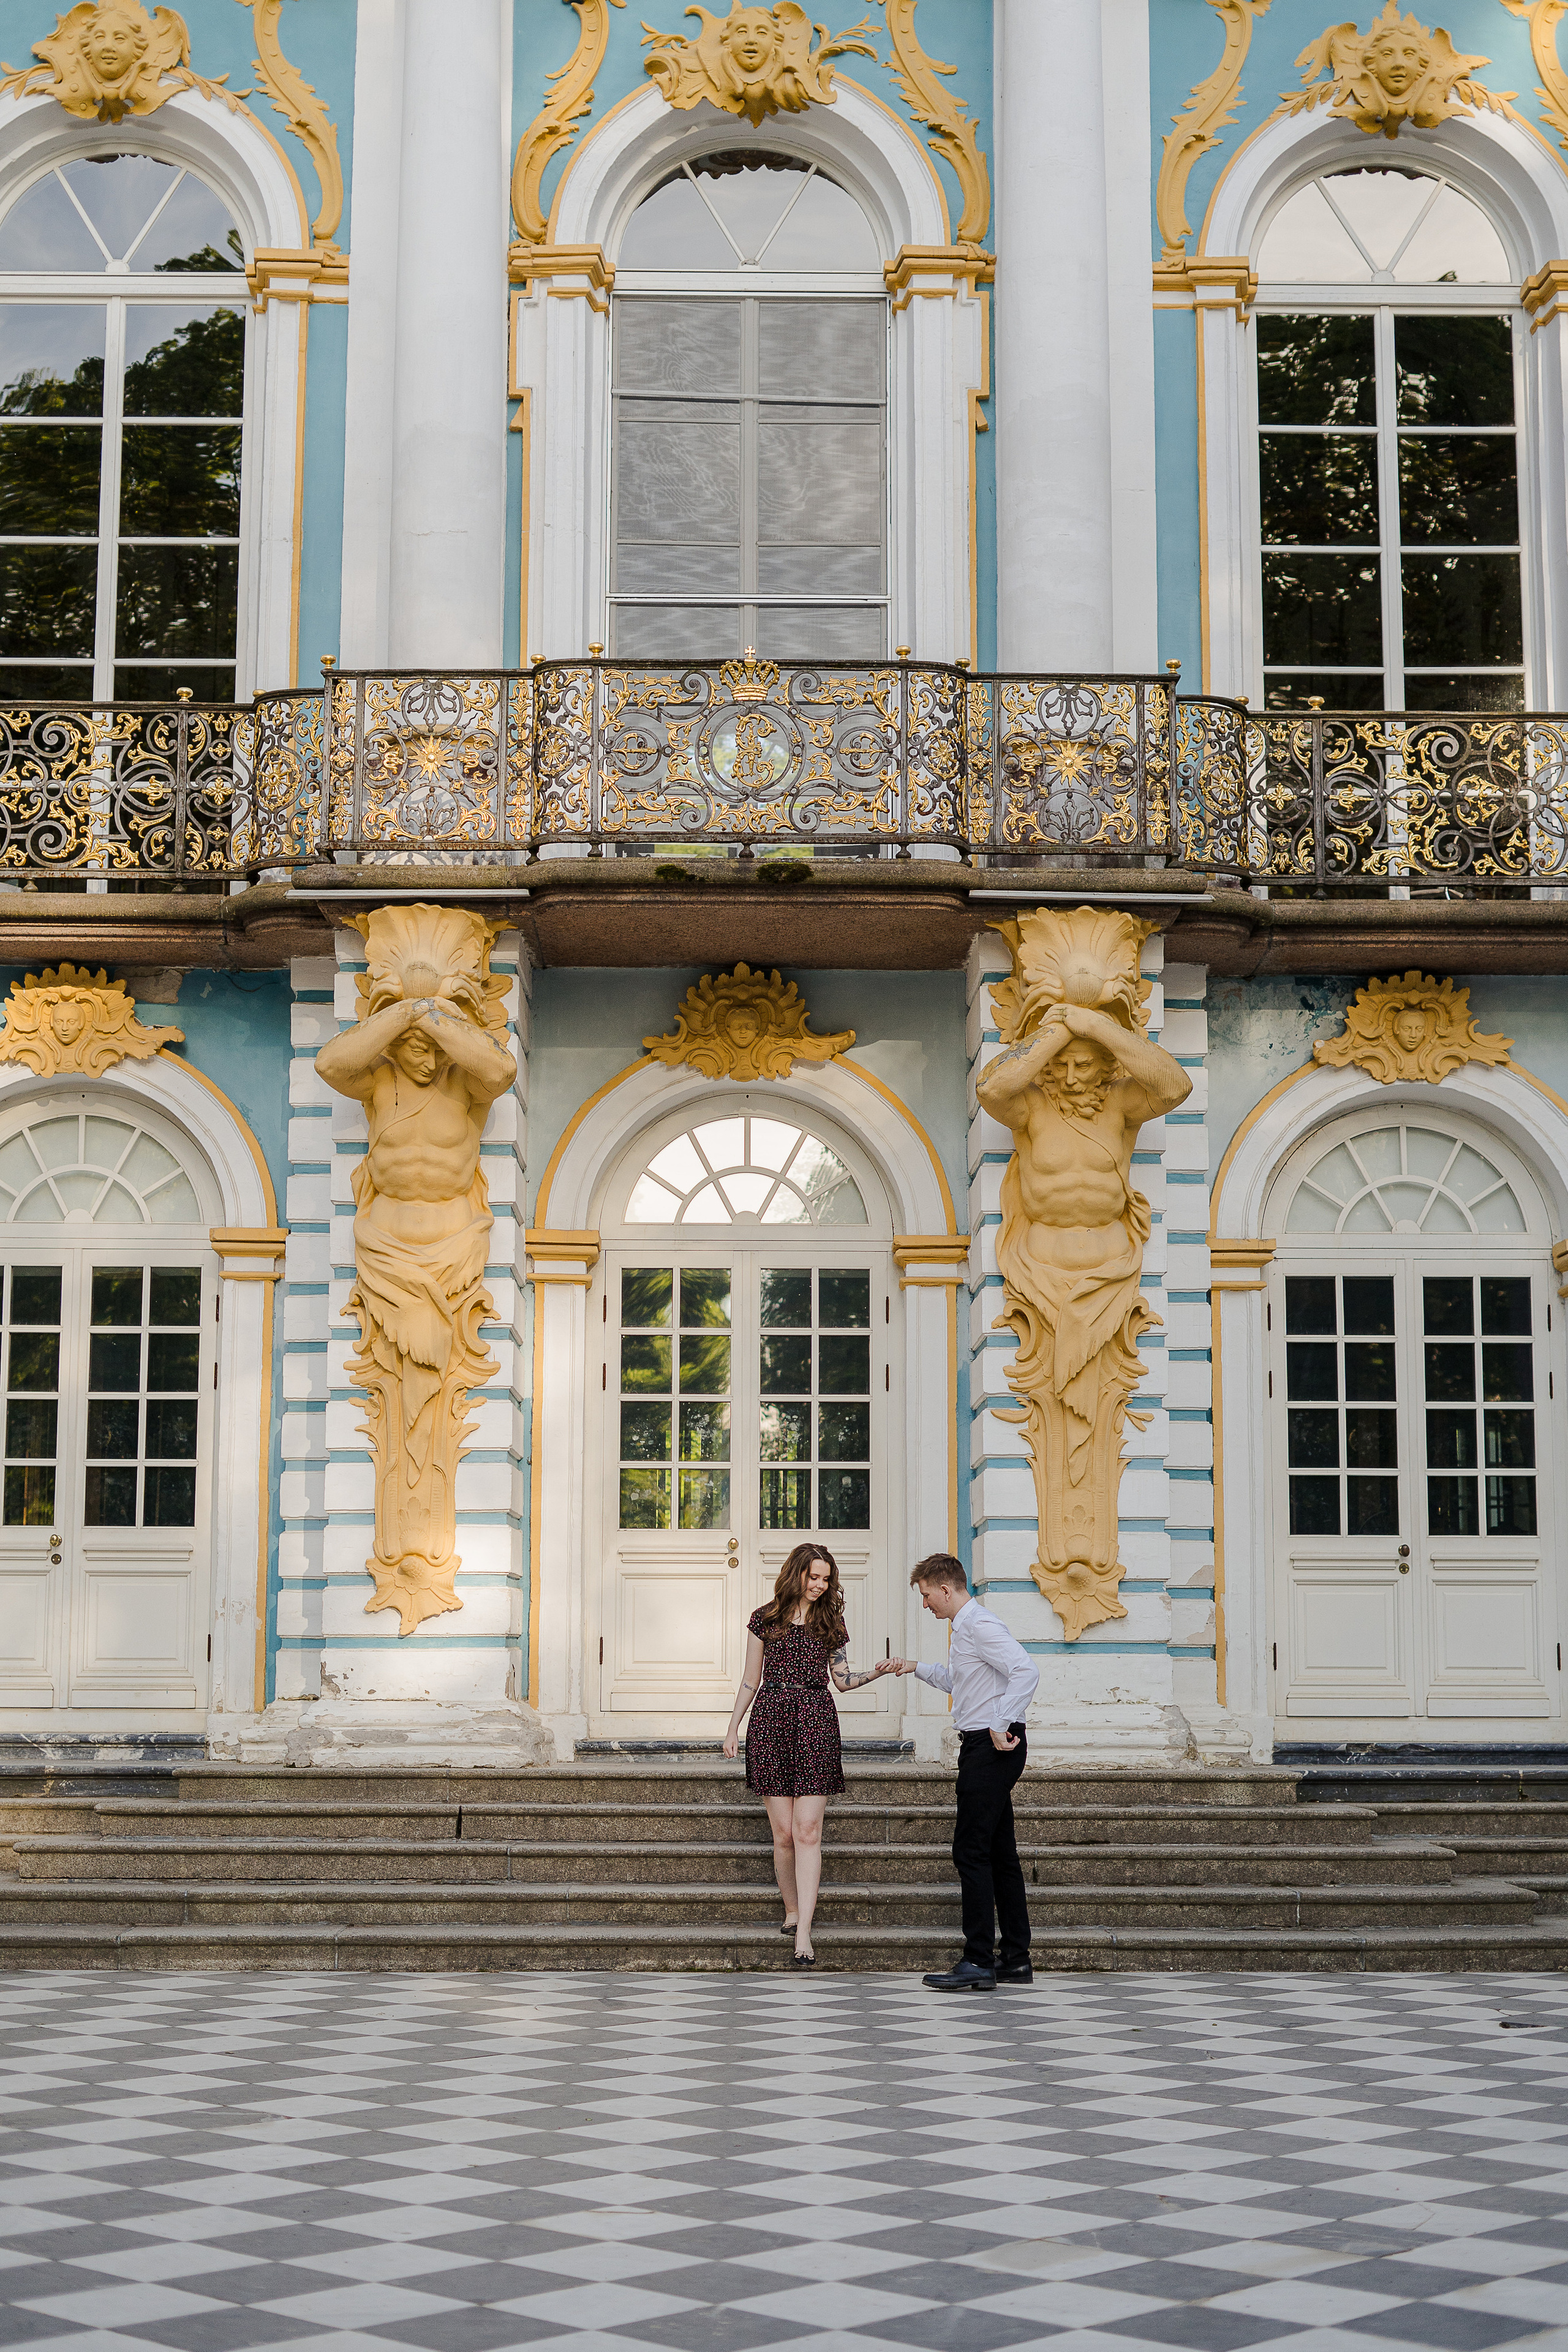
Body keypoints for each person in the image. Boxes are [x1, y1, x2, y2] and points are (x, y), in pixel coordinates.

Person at [723, 1543, 894, 1967]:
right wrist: (733, 1727)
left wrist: (878, 1671)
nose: (820, 1585)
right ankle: (792, 1909)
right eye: (814, 1577)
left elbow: (842, 1680)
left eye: (826, 1579)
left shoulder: (831, 1622)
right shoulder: (765, 1620)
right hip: (771, 1722)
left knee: (807, 1832)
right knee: (783, 1834)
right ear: (796, 1574)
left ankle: (804, 1934)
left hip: (816, 1721)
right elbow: (751, 1679)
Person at [890, 1553, 1039, 1992]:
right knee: (1000, 1853)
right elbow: (962, 1681)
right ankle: (1015, 1959)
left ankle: (978, 1960)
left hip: (990, 1748)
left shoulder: (979, 1625)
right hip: (986, 1746)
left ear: (946, 1589)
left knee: (970, 1851)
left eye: (925, 1596)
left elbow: (1025, 1671)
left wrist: (1001, 1722)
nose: (925, 1605)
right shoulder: (966, 1629)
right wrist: (913, 1667)